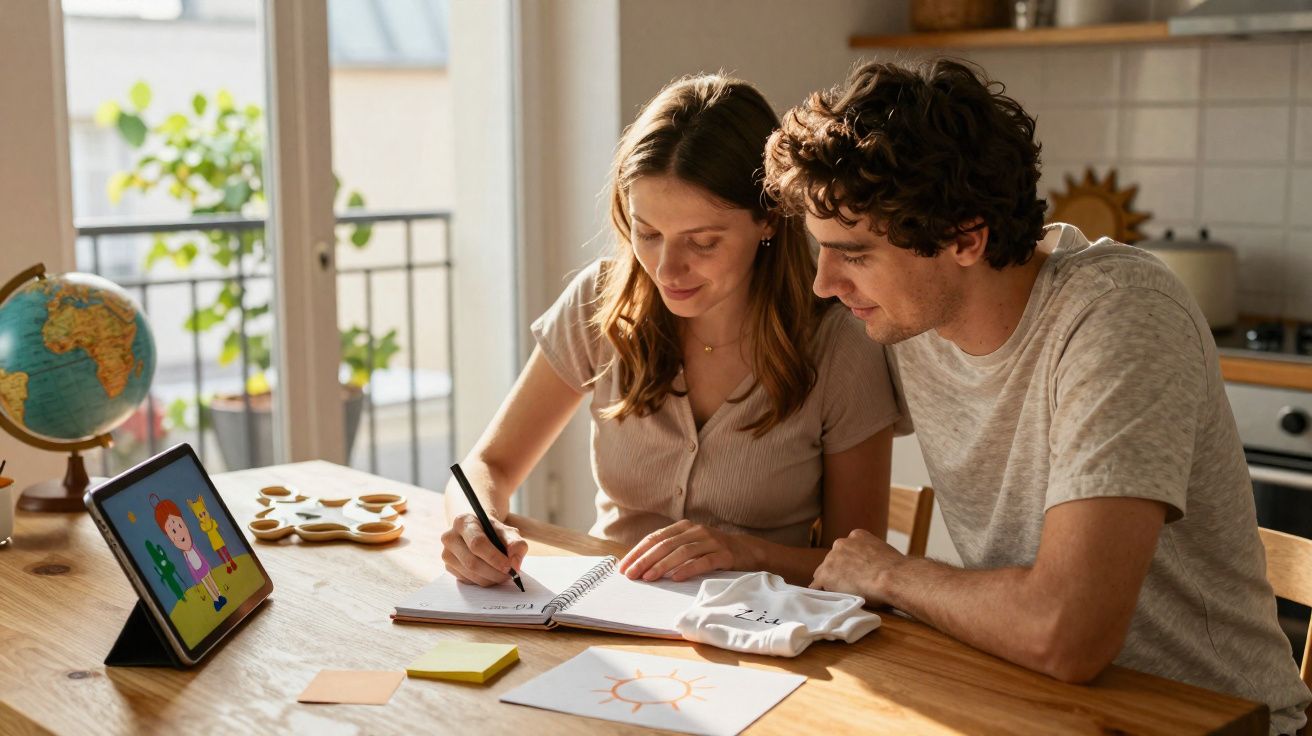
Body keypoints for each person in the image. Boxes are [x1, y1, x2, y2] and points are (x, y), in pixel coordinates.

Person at [764, 58, 1310, 733]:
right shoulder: (907, 316)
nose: (824, 283)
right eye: (820, 250)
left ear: (966, 237)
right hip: (1036, 706)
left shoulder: (1118, 314)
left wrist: (892, 574)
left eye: (852, 253)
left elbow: (1066, 633)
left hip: (1213, 721)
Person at [440, 73, 899, 589]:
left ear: (769, 218)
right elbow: (489, 465)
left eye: (701, 242)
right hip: (607, 610)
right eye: (649, 233)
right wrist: (470, 520)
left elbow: (864, 566)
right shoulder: (601, 303)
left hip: (758, 633)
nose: (666, 269)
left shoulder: (839, 345)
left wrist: (738, 551)